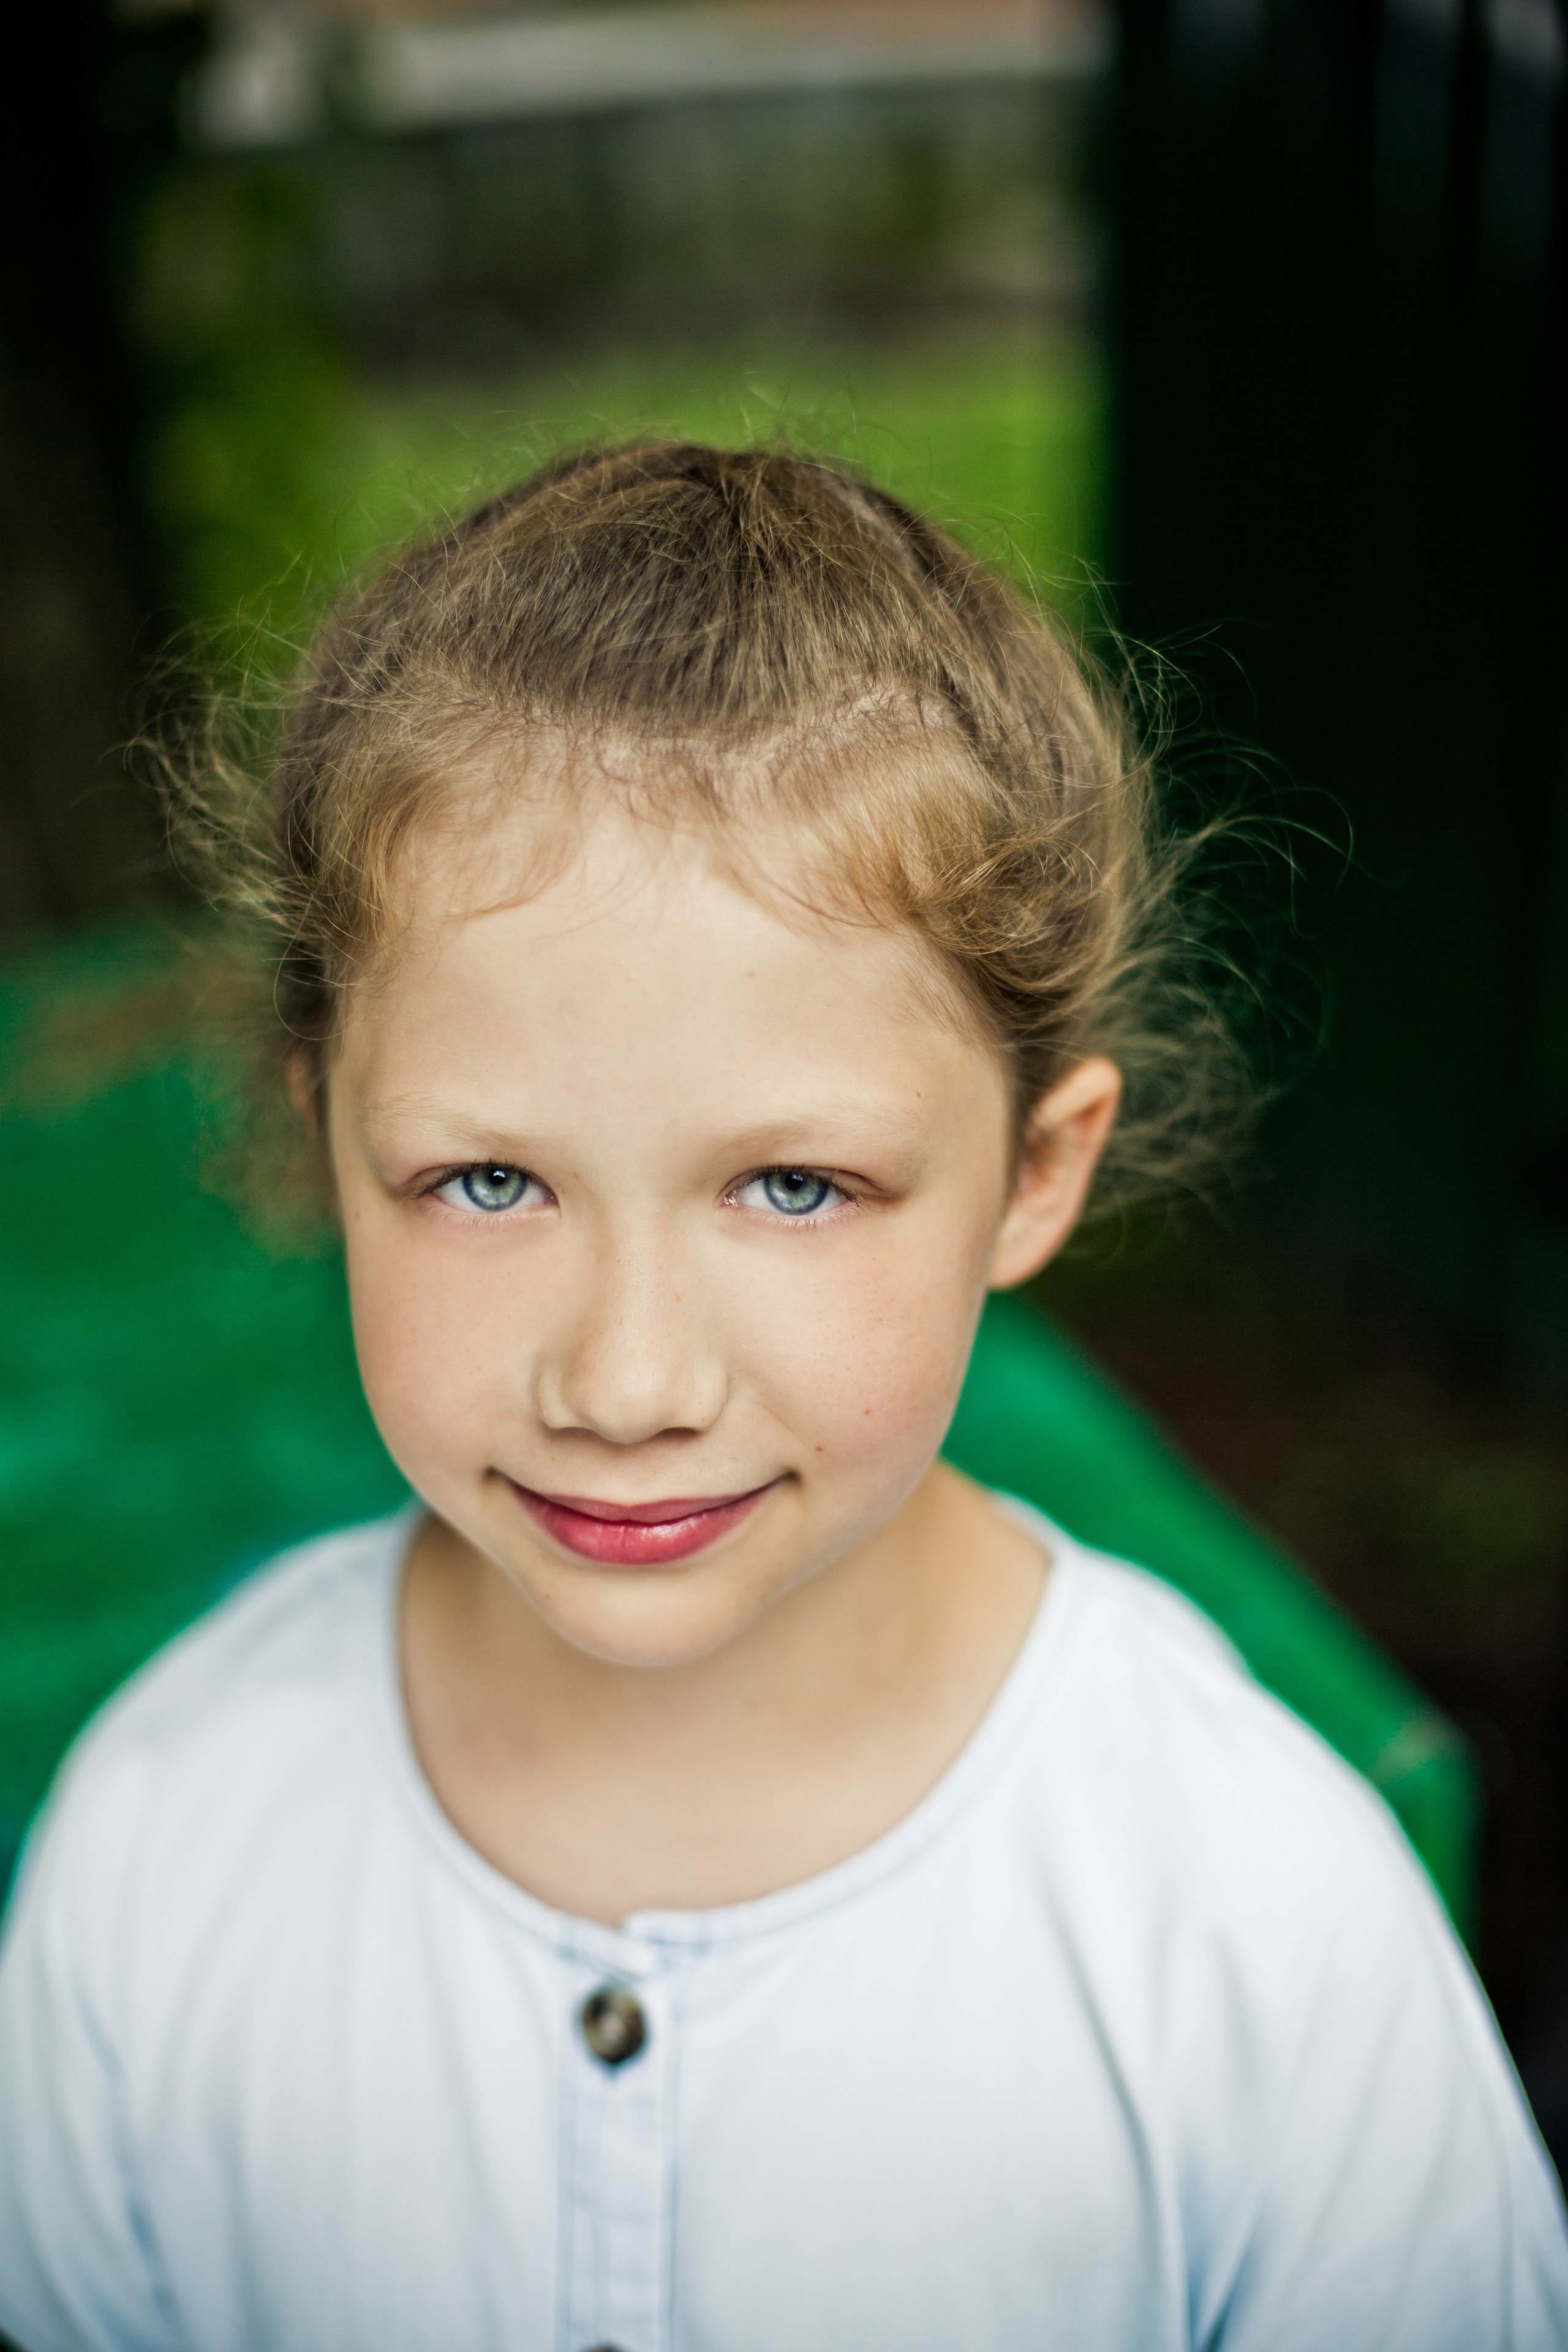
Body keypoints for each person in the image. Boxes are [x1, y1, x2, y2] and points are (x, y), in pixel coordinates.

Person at [0, 443, 1562, 2352]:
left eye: (795, 1186)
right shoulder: (166, 1839)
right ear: (332, 1141)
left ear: (1038, 1173)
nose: (629, 1380)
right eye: (487, 1181)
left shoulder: (1257, 1924)